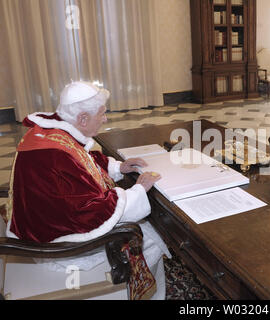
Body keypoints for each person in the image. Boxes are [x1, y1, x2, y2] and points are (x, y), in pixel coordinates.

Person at [5, 81, 171, 299]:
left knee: (149, 227)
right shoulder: (54, 156)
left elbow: (83, 160)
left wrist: (118, 167)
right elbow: (87, 214)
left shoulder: (55, 130)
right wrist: (138, 190)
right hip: (59, 245)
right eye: (102, 114)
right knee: (152, 236)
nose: (105, 118)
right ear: (82, 118)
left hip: (41, 222)